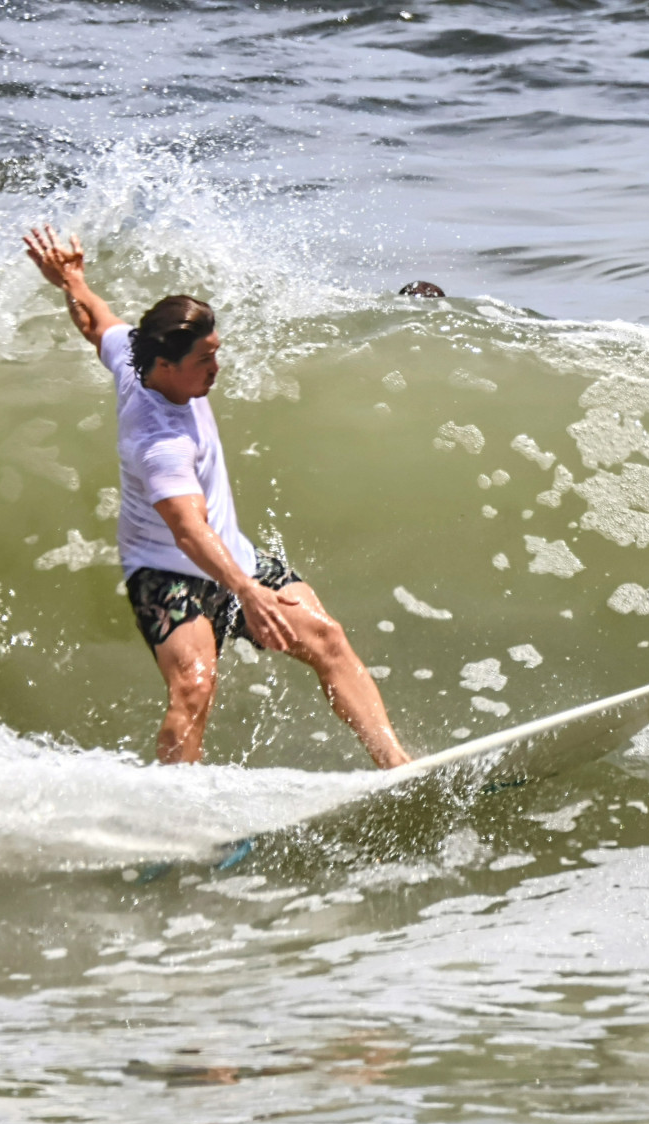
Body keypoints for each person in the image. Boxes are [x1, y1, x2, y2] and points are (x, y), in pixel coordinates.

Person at [22, 226, 410, 769]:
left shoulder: (134, 358)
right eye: (204, 359)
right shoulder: (161, 444)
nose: (216, 367)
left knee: (327, 638)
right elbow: (187, 531)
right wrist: (248, 593)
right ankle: (177, 810)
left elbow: (96, 322)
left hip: (233, 558)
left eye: (215, 352)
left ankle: (397, 766)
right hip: (166, 572)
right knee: (194, 686)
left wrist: (71, 278)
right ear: (165, 366)